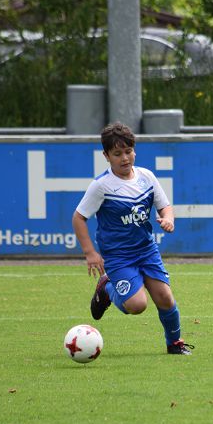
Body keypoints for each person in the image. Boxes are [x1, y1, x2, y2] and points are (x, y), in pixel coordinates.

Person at [72, 121, 193, 355]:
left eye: (128, 151)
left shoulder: (146, 177)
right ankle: (107, 288)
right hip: (119, 256)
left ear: (134, 150)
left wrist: (168, 219)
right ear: (106, 156)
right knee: (137, 306)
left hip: (147, 250)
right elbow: (78, 217)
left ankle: (175, 344)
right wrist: (90, 253)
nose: (124, 158)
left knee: (165, 298)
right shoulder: (101, 186)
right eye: (117, 154)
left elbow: (165, 206)